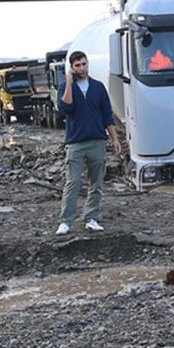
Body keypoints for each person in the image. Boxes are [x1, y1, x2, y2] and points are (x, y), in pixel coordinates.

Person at [56, 51, 121, 236]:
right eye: (78, 65)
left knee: (96, 183)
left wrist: (115, 138)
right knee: (73, 182)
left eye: (84, 64)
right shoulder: (65, 86)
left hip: (97, 141)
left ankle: (91, 218)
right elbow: (65, 108)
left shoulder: (98, 87)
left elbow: (107, 115)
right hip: (75, 143)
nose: (82, 68)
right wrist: (69, 82)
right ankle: (66, 222)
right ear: (72, 67)